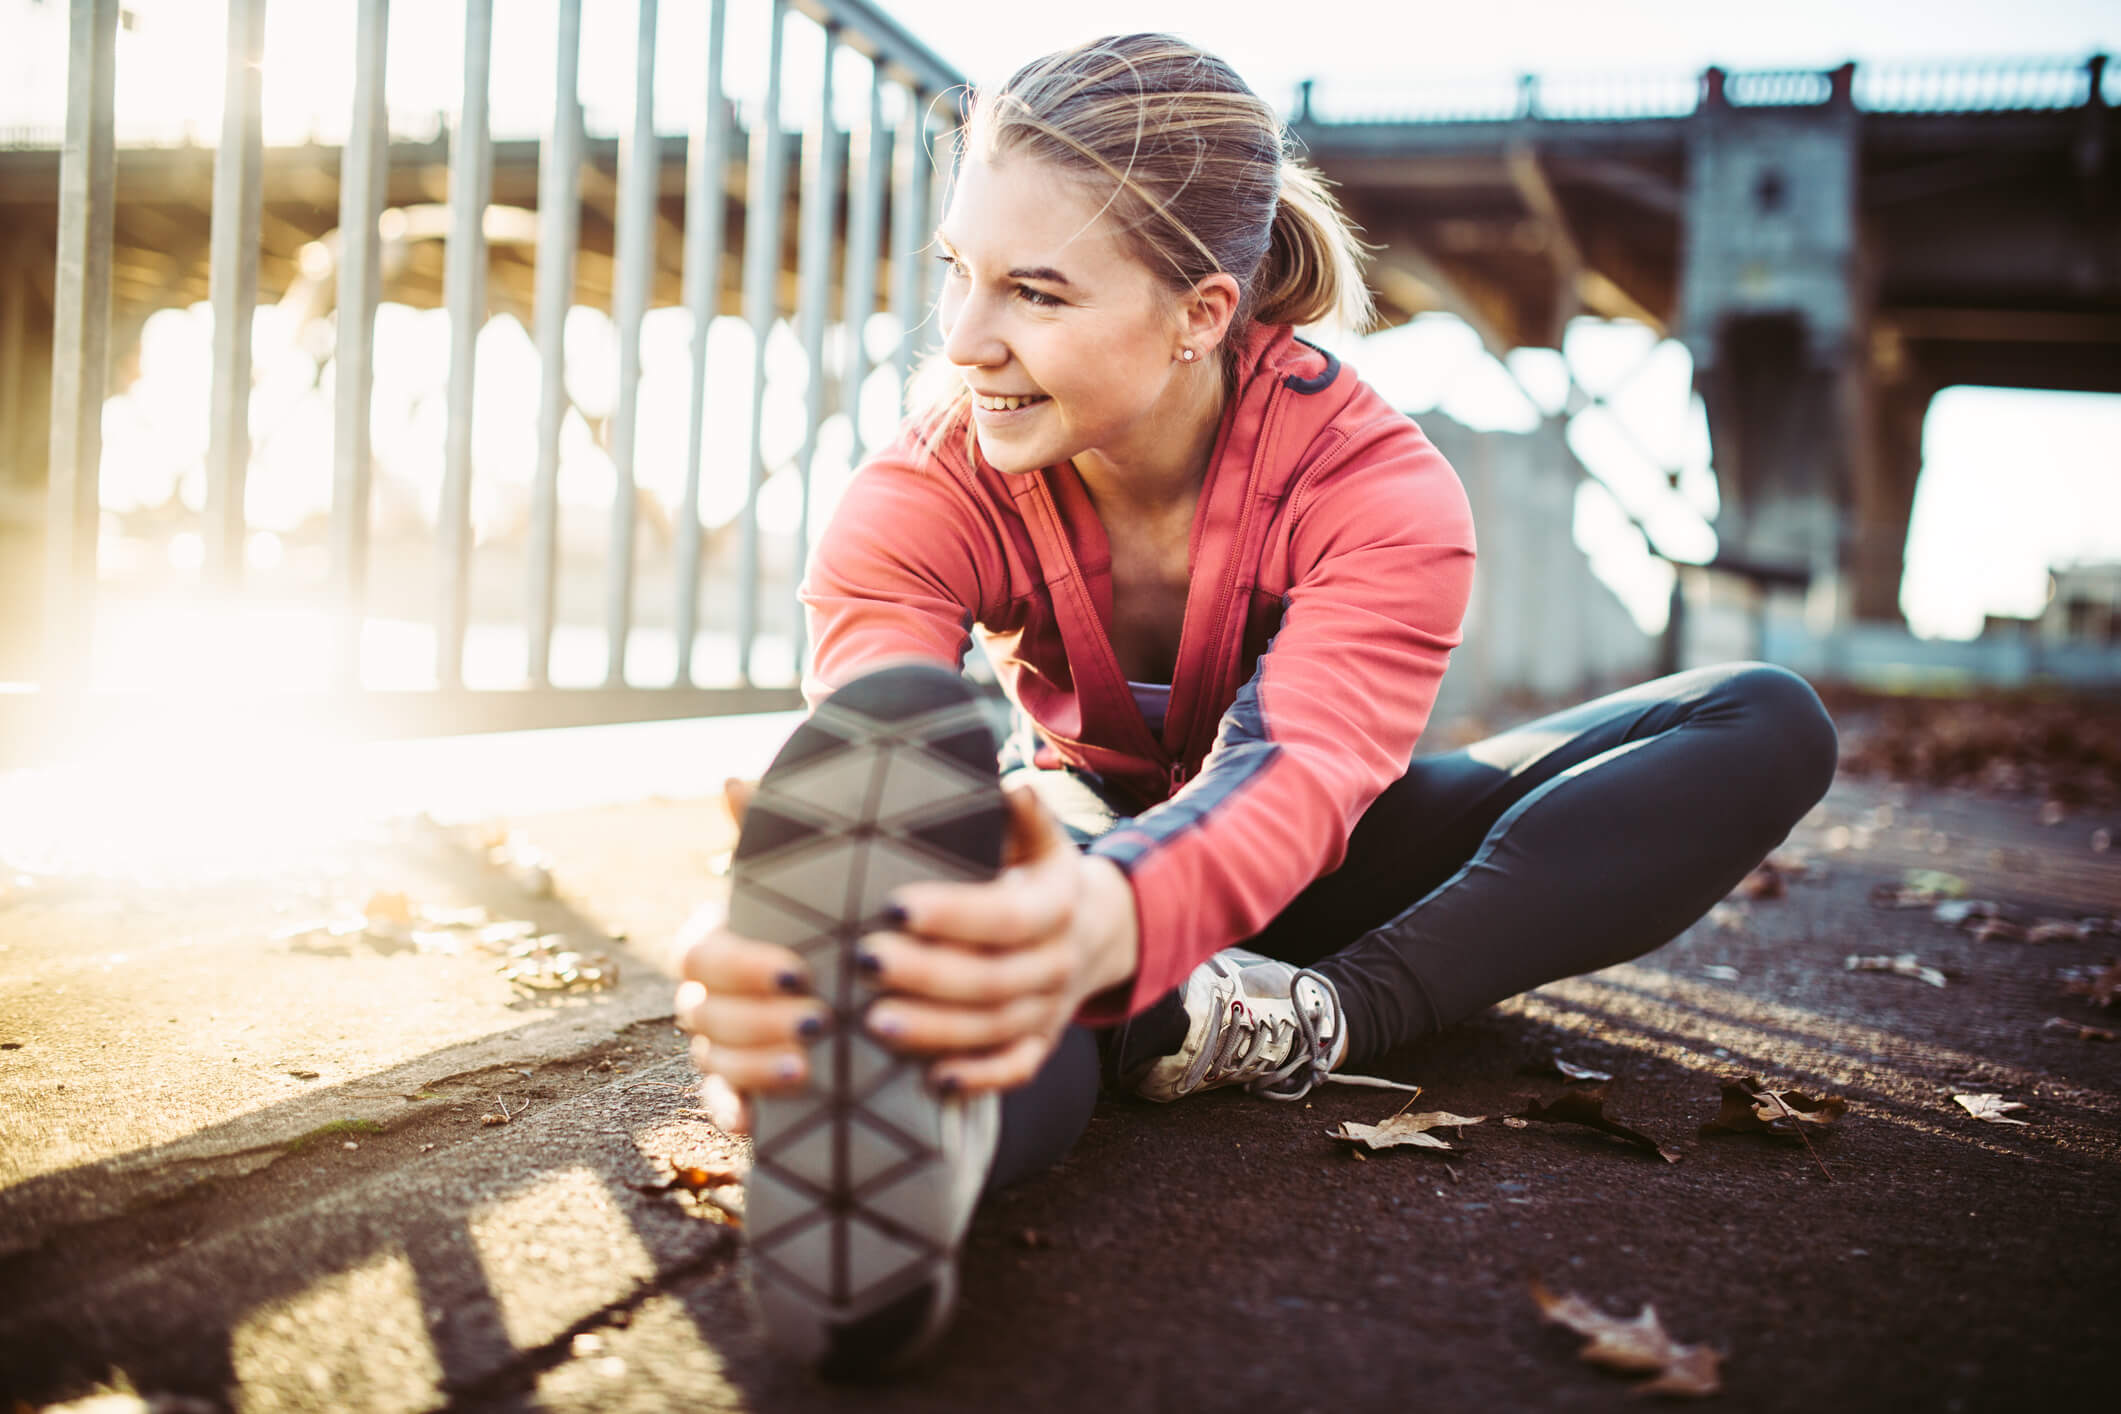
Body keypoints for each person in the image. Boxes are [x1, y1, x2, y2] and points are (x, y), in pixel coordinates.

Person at [669, 32, 1839, 1380]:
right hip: (1079, 832)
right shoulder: (920, 486)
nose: (966, 339)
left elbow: (1300, 772)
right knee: (990, 944)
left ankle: (1305, 1017)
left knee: (1762, 718)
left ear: (1200, 313)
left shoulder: (1378, 491)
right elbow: (881, 739)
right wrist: (828, 947)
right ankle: (933, 1131)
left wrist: (1120, 924)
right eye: (959, 272)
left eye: (1035, 294)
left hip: (1332, 864)